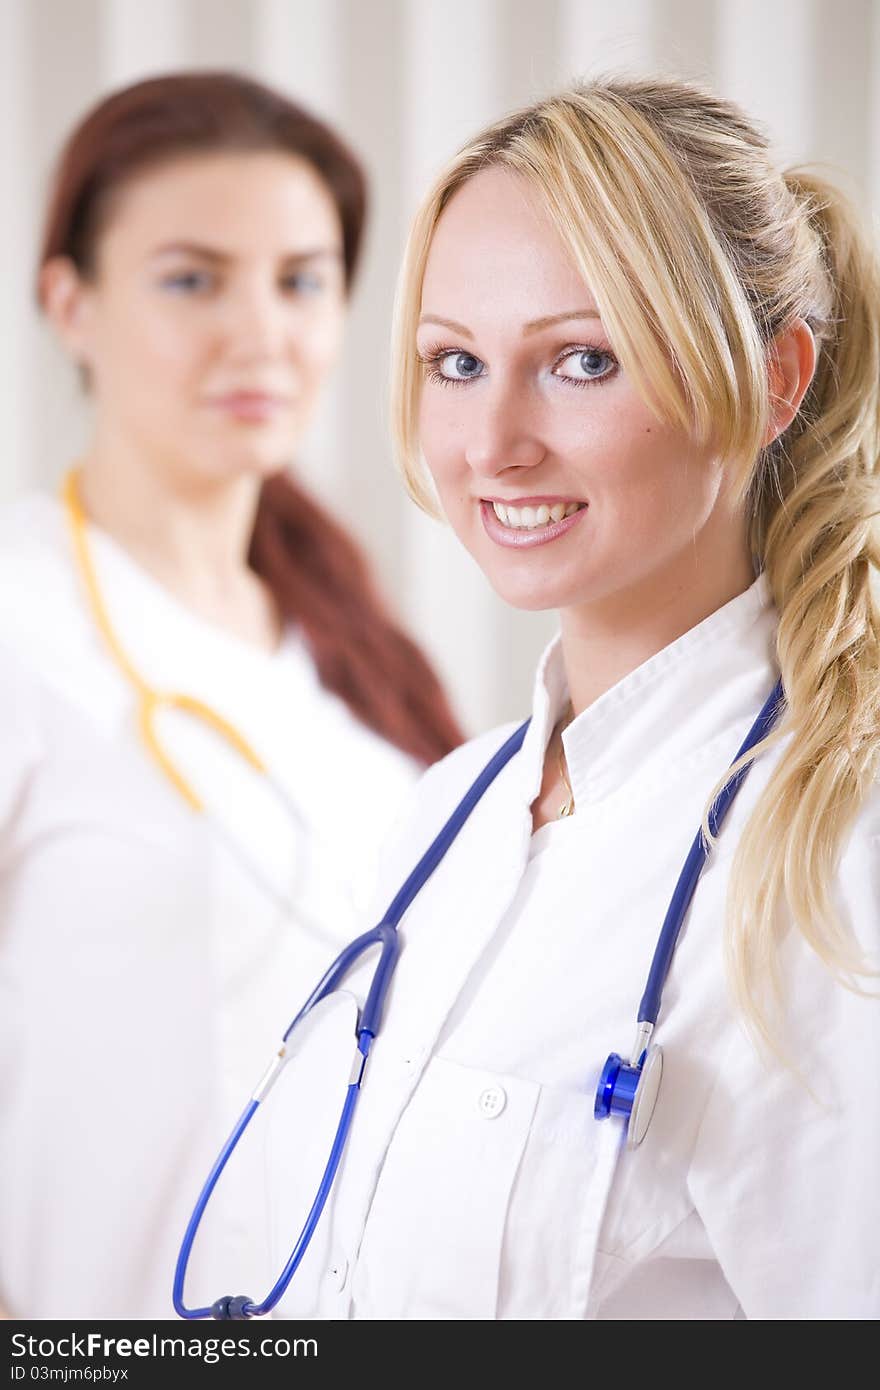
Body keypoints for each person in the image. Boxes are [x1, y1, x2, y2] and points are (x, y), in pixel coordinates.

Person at [254, 74, 880, 1321]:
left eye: (581, 360)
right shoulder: (442, 820)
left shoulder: (835, 866)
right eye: (456, 362)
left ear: (772, 382)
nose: (491, 443)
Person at [0, 71, 461, 1320]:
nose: (261, 333)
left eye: (301, 279)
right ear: (70, 303)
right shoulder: (22, 628)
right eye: (193, 279)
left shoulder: (365, 662)